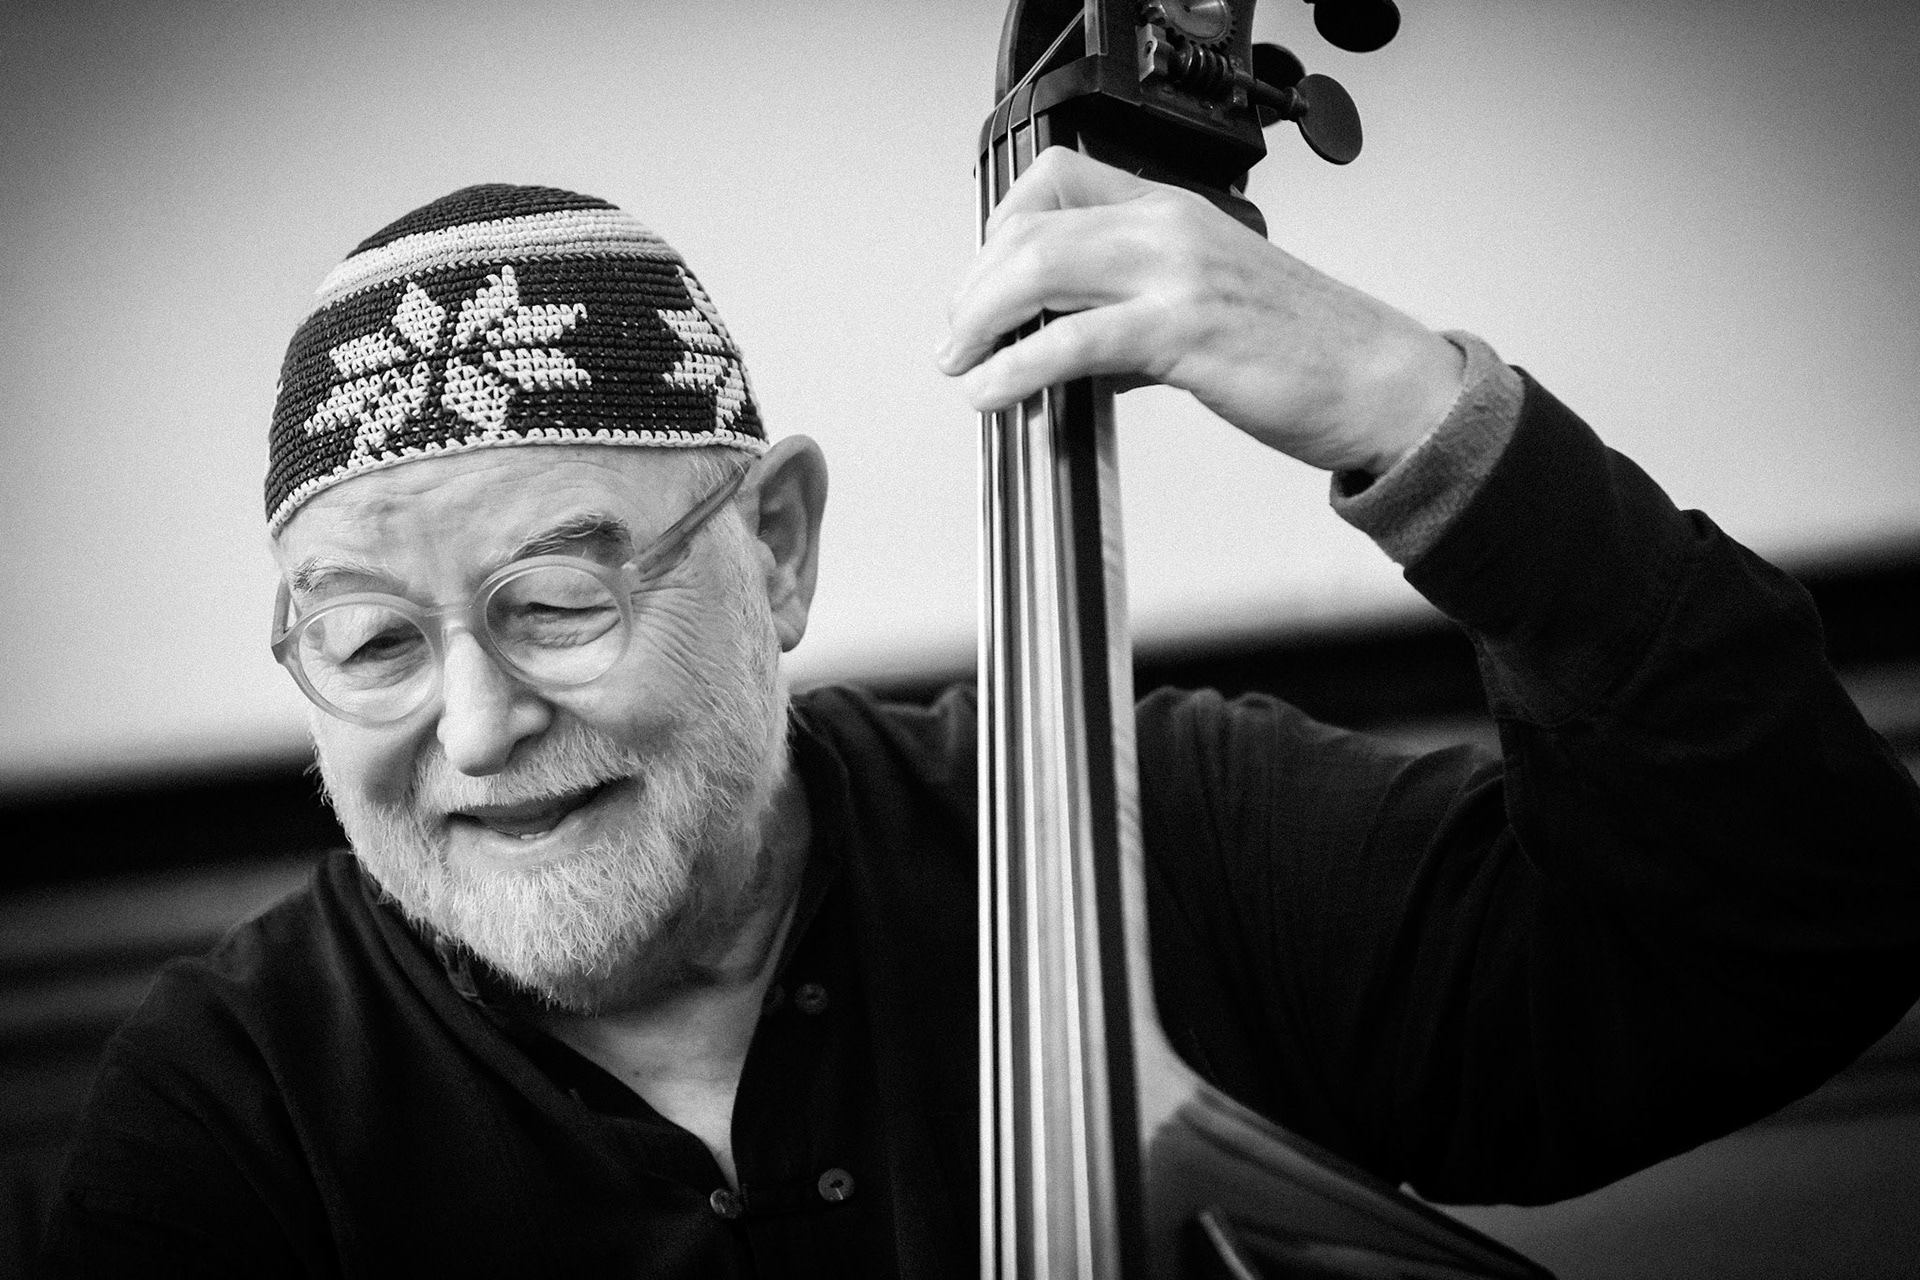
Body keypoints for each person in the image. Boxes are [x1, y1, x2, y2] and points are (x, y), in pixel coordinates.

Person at [37, 151, 1920, 1277]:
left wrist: (1416, 415)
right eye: (370, 643)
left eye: (555, 602)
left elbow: (1789, 931)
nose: (473, 726)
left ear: (773, 549)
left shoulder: (1132, 825)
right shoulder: (238, 1110)